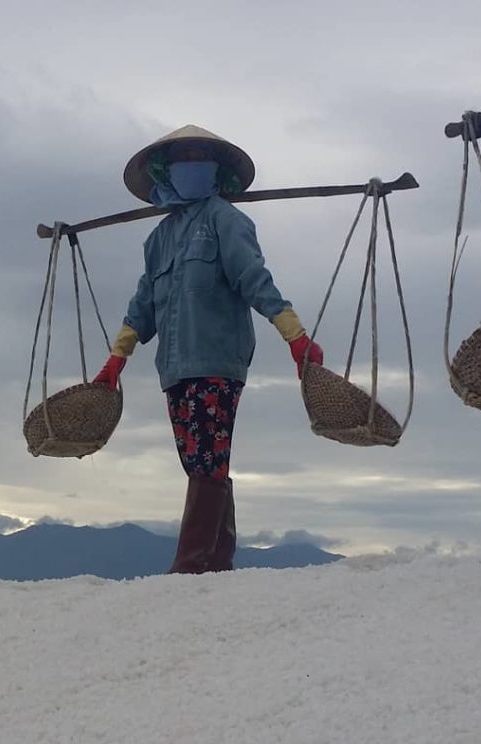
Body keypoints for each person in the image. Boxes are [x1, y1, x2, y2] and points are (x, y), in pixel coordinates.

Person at [93, 125, 324, 574]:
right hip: (174, 365)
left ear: (216, 170)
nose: (192, 164)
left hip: (217, 357)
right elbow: (143, 304)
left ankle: (191, 562)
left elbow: (254, 279)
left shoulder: (226, 221)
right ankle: (218, 560)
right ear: (168, 170)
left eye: (200, 156)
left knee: (205, 456)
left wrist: (294, 335)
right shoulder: (158, 239)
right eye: (184, 157)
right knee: (201, 458)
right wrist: (116, 358)